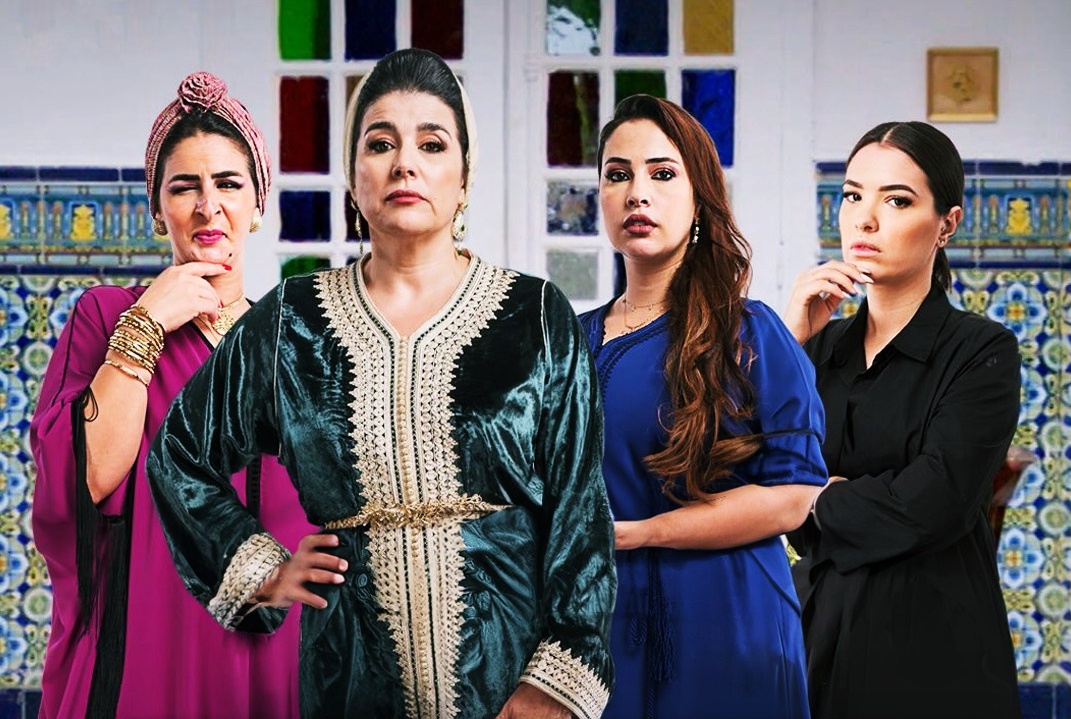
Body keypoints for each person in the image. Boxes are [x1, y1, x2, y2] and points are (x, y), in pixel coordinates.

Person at [145, 48, 616, 719]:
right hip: (349, 680)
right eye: (380, 144)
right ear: (353, 176)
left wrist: (556, 682)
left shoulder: (536, 316)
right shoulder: (291, 321)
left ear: (463, 178)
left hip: (512, 681)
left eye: (431, 144)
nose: (405, 164)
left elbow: (580, 512)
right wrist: (263, 570)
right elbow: (178, 453)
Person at [29, 72, 314, 719]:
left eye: (229, 184)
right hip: (148, 655)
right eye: (184, 187)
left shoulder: (297, 344)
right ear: (158, 210)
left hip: (280, 663)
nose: (208, 206)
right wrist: (148, 323)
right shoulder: (107, 316)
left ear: (257, 203)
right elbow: (86, 479)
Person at [578, 94, 827, 719]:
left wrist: (642, 534)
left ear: (699, 199)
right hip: (597, 632)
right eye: (617, 174)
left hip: (730, 623)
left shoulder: (751, 334)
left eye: (663, 174)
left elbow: (793, 497)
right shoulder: (566, 342)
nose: (638, 194)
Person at [783, 121, 1022, 719]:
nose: (864, 220)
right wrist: (788, 342)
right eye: (852, 195)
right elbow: (745, 474)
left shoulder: (981, 351)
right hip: (814, 640)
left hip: (932, 647)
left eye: (896, 201)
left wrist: (811, 501)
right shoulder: (815, 347)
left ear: (947, 223)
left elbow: (934, 503)